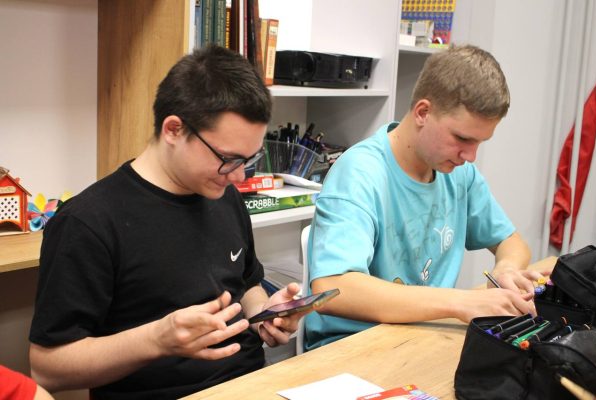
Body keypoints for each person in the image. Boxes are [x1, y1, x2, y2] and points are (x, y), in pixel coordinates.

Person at [28, 45, 304, 399]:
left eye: (249, 160)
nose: (239, 177)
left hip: (252, 386)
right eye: (228, 159)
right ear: (174, 129)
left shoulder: (224, 195)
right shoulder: (87, 222)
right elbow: (48, 368)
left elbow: (247, 283)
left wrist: (265, 314)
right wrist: (157, 339)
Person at [304, 44, 546, 350]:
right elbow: (333, 288)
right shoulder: (360, 174)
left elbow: (511, 242)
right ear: (423, 112)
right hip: (353, 347)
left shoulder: (457, 173)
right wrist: (460, 302)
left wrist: (506, 270)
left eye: (479, 142)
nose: (470, 156)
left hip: (424, 339)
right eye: (462, 138)